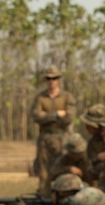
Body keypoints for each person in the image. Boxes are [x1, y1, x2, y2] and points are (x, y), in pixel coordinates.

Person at [31, 67, 77, 197]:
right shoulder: (40, 98)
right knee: (44, 170)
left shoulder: (67, 97)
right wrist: (57, 114)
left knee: (62, 167)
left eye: (54, 78)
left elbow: (69, 118)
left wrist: (46, 115)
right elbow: (36, 116)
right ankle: (45, 196)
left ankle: (63, 195)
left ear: (59, 80)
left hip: (62, 137)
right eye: (49, 79)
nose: (52, 81)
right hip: (45, 138)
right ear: (45, 80)